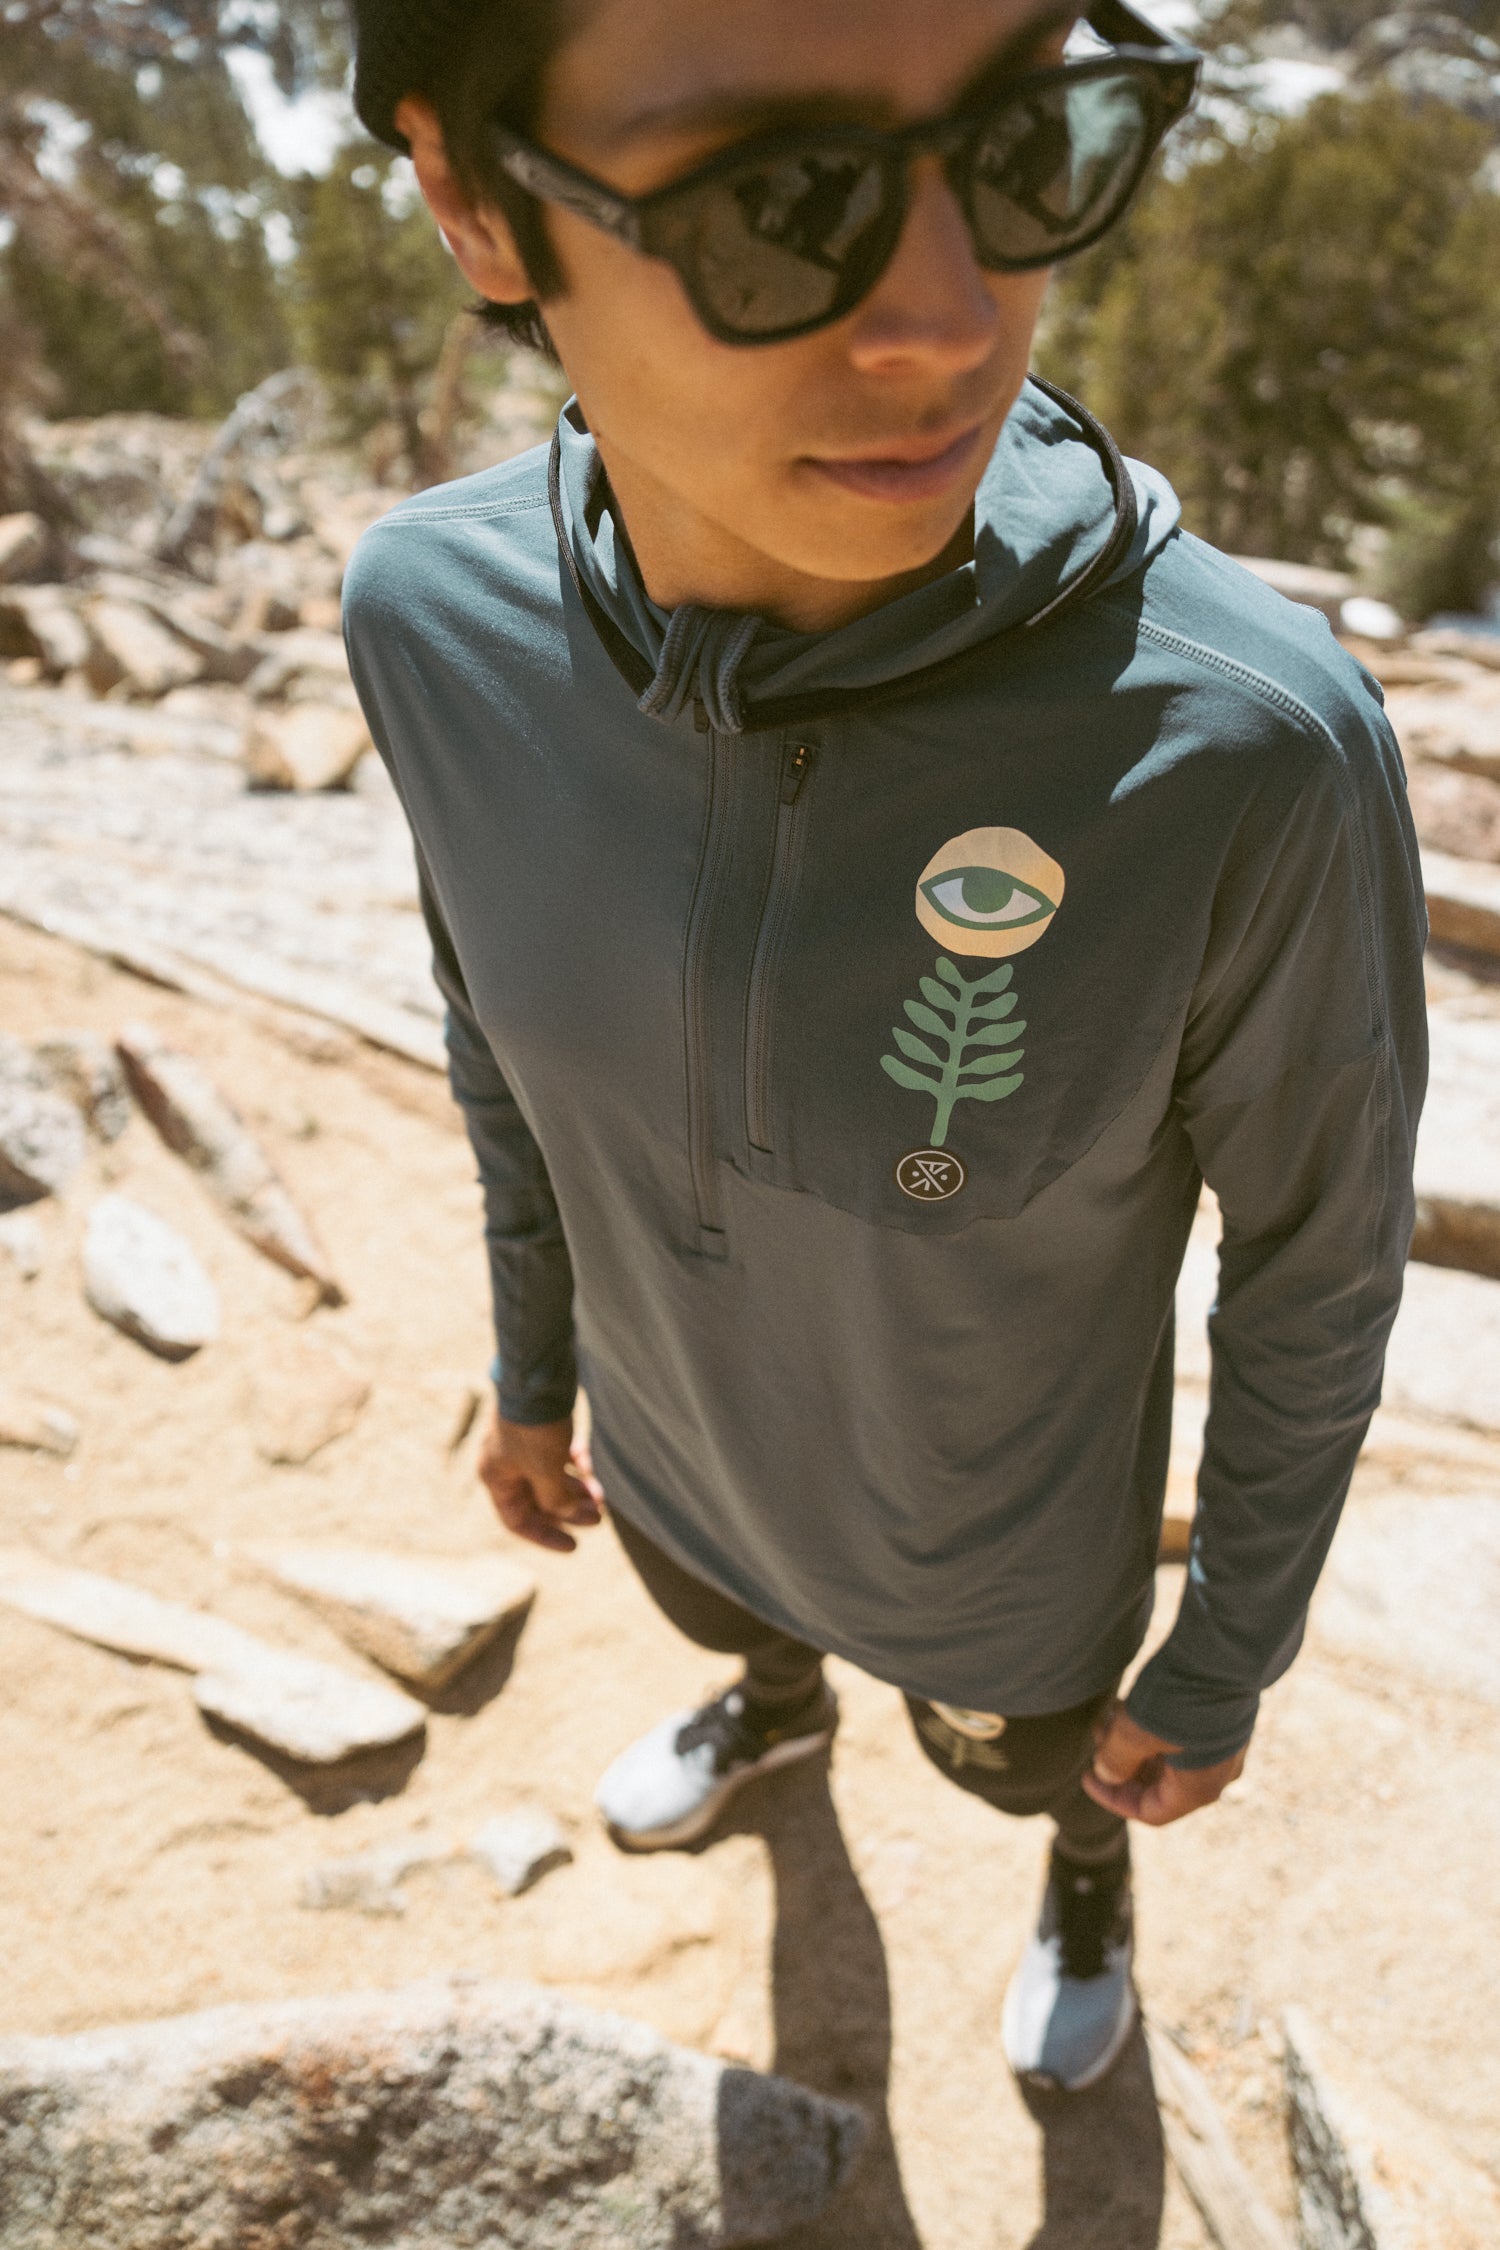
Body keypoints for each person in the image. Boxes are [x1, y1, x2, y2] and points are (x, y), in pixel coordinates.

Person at [343, 0, 1427, 2095]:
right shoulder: (429, 622)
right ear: (475, 202)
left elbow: (1316, 1252)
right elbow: (488, 1028)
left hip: (1005, 1574)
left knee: (1047, 1782)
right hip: (674, 1467)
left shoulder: (1246, 746)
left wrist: (1222, 1655)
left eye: (1027, 145)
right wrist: (533, 1360)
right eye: (782, 200)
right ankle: (773, 1712)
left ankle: (1085, 1884)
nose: (956, 317)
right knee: (732, 1624)